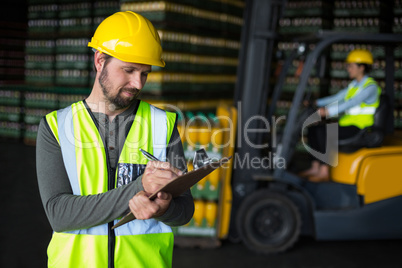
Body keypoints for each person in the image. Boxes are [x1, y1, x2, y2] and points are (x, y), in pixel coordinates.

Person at [36, 11, 194, 268]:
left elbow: (184, 212)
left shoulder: (162, 125)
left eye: (145, 73)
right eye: (129, 70)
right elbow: (59, 214)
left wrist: (165, 209)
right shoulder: (56, 126)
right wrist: (139, 189)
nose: (138, 83)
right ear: (100, 60)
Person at [300, 49, 381, 182]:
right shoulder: (354, 85)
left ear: (361, 67)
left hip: (360, 128)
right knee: (314, 129)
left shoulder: (370, 87)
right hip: (348, 124)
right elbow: (337, 97)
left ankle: (324, 170)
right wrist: (316, 102)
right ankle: (315, 167)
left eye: (351, 66)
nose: (348, 68)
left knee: (325, 132)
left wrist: (328, 112)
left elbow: (352, 102)